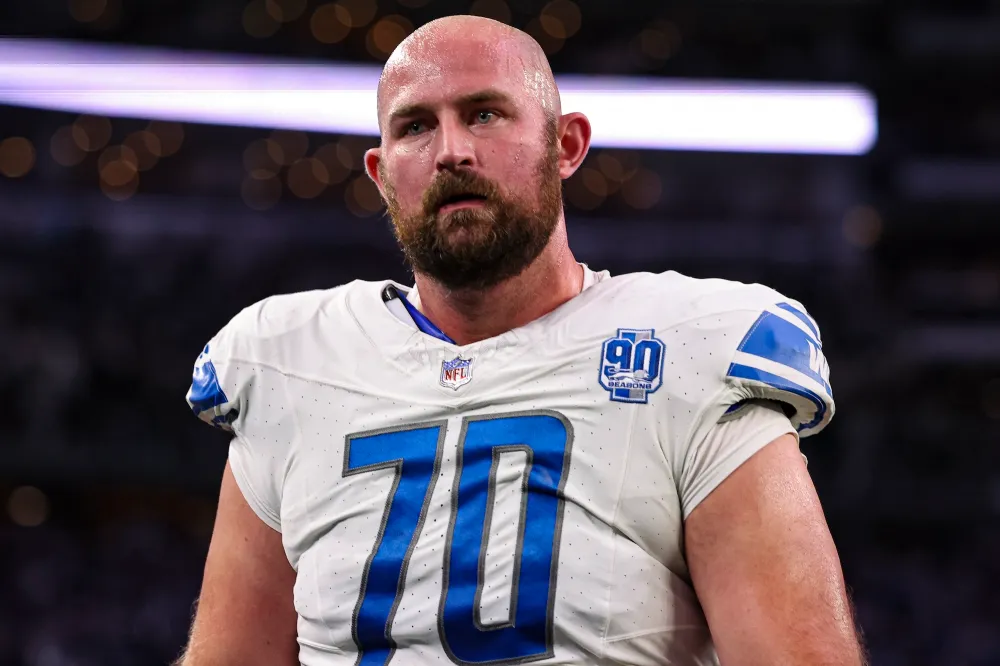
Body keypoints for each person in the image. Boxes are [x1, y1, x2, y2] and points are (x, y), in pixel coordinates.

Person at [176, 14, 867, 666]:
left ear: (565, 146)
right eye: (415, 126)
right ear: (382, 176)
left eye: (484, 113)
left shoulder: (692, 347)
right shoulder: (288, 363)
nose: (451, 151)